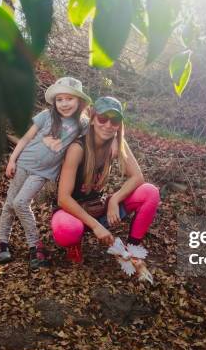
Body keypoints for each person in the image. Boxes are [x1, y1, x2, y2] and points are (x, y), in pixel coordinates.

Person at [0, 77, 91, 268]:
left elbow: (96, 137)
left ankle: (35, 245)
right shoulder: (46, 116)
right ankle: (1, 243)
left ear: (79, 101)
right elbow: (25, 138)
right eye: (60, 99)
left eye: (69, 99)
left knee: (20, 203)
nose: (64, 103)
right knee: (9, 205)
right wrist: (12, 160)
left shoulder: (82, 123)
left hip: (44, 172)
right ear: (54, 101)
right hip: (23, 163)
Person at [52, 96, 160, 264]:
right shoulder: (77, 149)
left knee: (150, 192)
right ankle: (74, 244)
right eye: (103, 118)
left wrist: (114, 200)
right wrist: (96, 226)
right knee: (68, 230)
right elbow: (63, 198)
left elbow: (138, 176)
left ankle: (132, 251)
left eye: (115, 120)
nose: (108, 125)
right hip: (71, 212)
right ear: (93, 119)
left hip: (97, 207)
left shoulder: (117, 143)